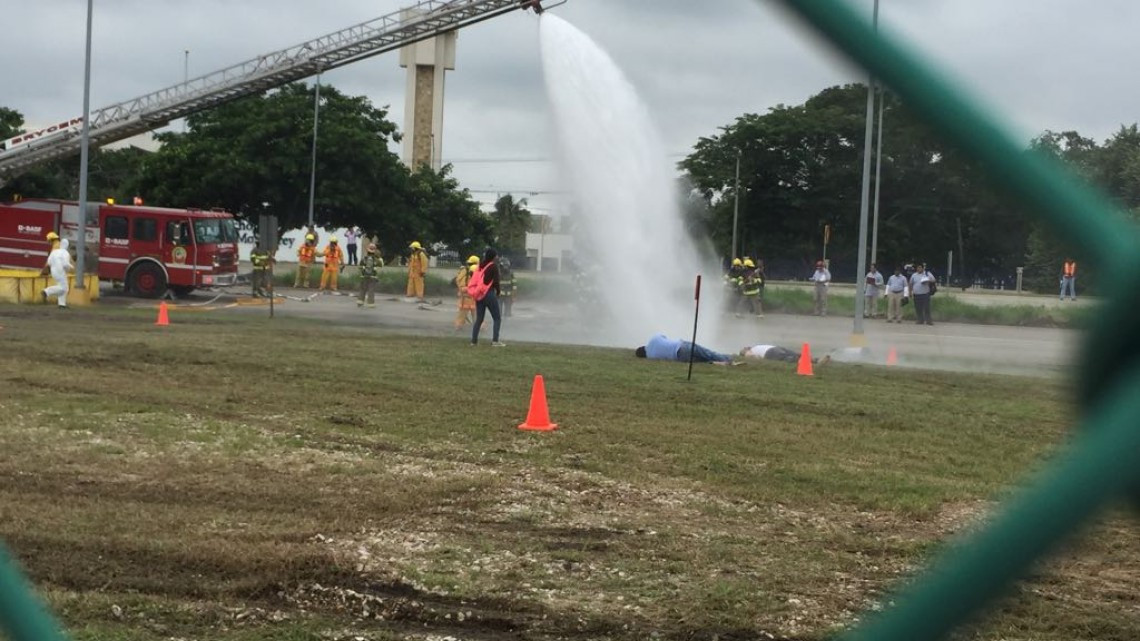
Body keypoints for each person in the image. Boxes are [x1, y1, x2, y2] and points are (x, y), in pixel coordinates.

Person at [470, 248, 505, 346]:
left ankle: (474, 341)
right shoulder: (493, 266)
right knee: (497, 318)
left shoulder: (480, 266)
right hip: (489, 294)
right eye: (496, 255)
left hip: (479, 294)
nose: (497, 257)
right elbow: (496, 282)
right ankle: (495, 341)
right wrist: (498, 292)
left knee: (479, 319)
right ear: (493, 256)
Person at [634, 333, 736, 365]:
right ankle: (727, 359)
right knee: (707, 353)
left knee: (702, 360)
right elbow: (663, 336)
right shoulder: (653, 339)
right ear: (643, 346)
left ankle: (717, 363)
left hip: (680, 357)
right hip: (681, 346)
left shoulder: (651, 357)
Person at [41, 238, 74, 308]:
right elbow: (65, 264)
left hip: (53, 272)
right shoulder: (66, 253)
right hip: (60, 271)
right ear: (67, 246)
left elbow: (49, 262)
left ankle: (62, 304)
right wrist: (71, 267)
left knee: (61, 286)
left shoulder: (54, 251)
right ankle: (46, 291)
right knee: (64, 288)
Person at [738, 343, 830, 366]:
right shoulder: (753, 349)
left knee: (787, 358)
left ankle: (812, 361)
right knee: (793, 355)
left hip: (771, 351)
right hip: (774, 350)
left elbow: (750, 356)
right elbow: (747, 355)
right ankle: (815, 360)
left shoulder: (755, 348)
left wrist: (757, 358)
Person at [454, 255, 479, 330]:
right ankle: (480, 328)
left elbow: (458, 280)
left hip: (468, 296)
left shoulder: (465, 270)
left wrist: (462, 289)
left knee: (463, 314)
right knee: (476, 314)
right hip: (472, 296)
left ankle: (459, 326)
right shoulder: (479, 271)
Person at [356, 243, 383, 307]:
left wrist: (363, 270)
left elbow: (359, 267)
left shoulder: (364, 259)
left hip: (364, 276)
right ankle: (370, 304)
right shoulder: (377, 260)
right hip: (373, 277)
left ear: (367, 250)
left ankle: (360, 302)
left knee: (362, 289)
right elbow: (381, 266)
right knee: (371, 290)